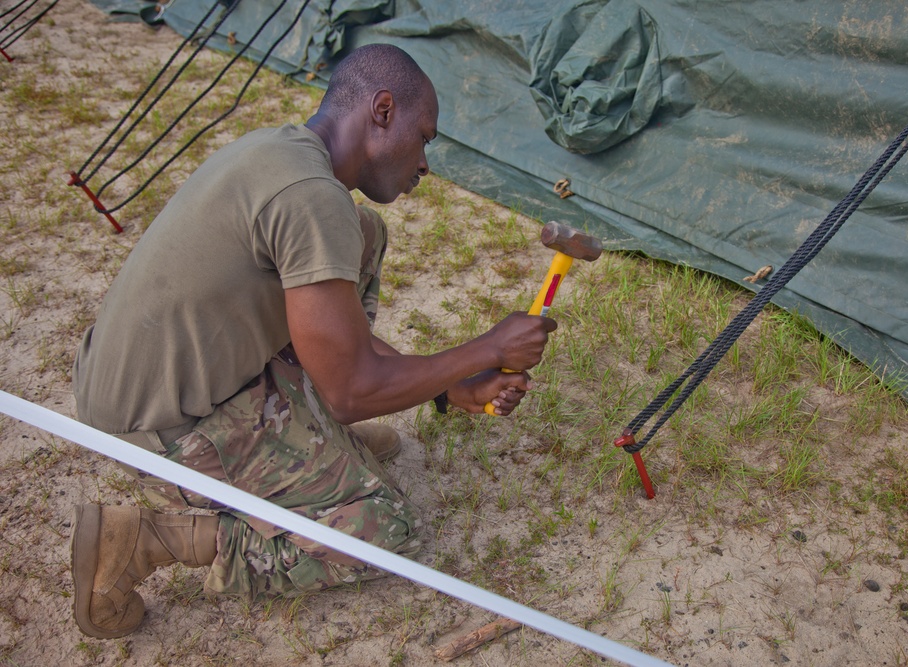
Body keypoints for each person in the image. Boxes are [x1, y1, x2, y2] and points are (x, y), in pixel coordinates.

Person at [70, 43, 556, 640]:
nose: (426, 163)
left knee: (363, 233)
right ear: (382, 110)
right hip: (155, 425)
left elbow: (342, 349)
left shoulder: (283, 151)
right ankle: (150, 540)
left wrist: (449, 387)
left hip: (132, 375)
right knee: (381, 528)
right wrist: (488, 348)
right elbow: (352, 389)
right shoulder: (310, 198)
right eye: (424, 137)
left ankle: (311, 426)